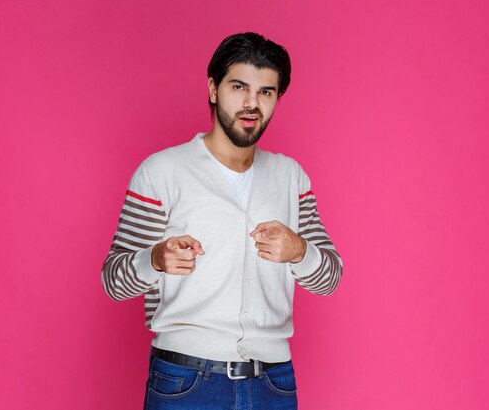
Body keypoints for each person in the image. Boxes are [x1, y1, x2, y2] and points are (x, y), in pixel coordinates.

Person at [101, 32, 343, 410]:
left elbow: (330, 278)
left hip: (273, 382)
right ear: (213, 89)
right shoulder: (162, 172)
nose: (251, 103)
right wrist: (154, 258)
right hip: (185, 381)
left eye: (266, 92)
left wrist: (299, 251)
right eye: (239, 87)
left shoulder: (291, 178)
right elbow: (114, 281)